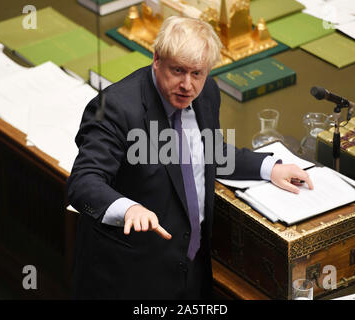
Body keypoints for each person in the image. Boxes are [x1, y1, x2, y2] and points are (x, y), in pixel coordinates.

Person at [67, 16, 313, 299]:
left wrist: (268, 167)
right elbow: (83, 182)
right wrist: (128, 209)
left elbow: (208, 152)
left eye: (197, 73)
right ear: (157, 59)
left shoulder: (206, 92)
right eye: (178, 71)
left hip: (190, 268)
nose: (187, 85)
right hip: (129, 276)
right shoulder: (114, 108)